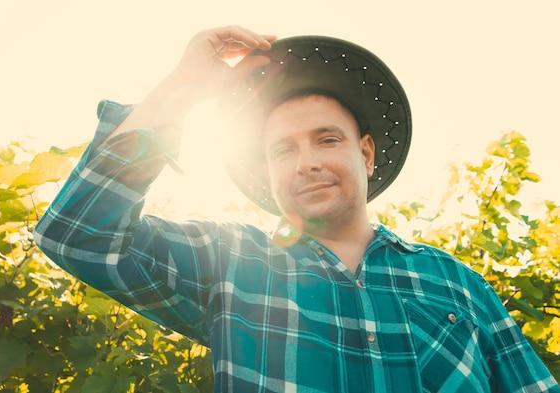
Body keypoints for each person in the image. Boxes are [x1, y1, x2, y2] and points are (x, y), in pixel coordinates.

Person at [34, 26, 559, 392]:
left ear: (366, 153)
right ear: (267, 174)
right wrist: (183, 89)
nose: (306, 162)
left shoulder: (457, 284)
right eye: (284, 150)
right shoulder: (228, 261)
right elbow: (76, 233)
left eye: (326, 139)